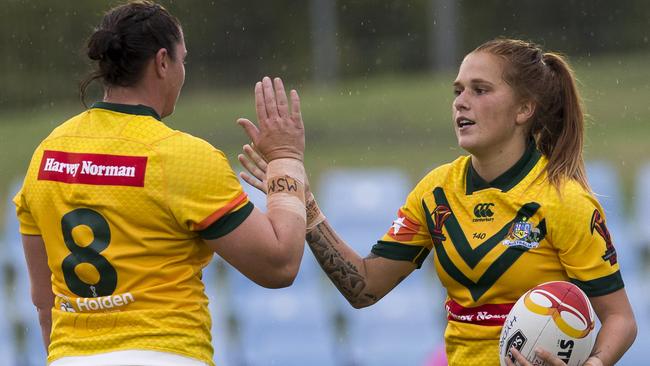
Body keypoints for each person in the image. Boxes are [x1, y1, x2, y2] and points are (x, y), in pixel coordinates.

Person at [238, 38, 637, 365]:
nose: (461, 102)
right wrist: (305, 205)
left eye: (480, 90)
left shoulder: (565, 200)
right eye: (458, 91)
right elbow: (364, 287)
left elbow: (620, 319)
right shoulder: (436, 191)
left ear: (524, 109)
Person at [13, 1, 308, 365]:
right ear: (163, 61)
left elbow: (45, 304)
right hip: (166, 353)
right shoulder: (182, 158)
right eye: (183, 61)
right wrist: (286, 159)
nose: (183, 73)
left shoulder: (46, 155)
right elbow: (279, 265)